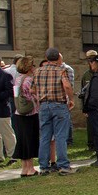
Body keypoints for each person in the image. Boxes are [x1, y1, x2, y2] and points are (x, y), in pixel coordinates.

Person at [34, 47, 75, 175]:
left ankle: (43, 167)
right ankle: (63, 165)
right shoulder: (61, 70)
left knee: (45, 136)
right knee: (60, 136)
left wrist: (41, 95)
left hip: (44, 105)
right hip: (59, 104)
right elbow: (67, 85)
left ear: (46, 58)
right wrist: (71, 99)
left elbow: (31, 89)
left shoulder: (37, 71)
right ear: (58, 58)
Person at [11, 56, 39, 177]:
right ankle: (31, 168)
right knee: (30, 140)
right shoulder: (29, 80)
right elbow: (34, 96)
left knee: (22, 141)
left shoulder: (18, 79)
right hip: (29, 114)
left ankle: (24, 168)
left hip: (18, 113)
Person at [0, 55, 14, 162]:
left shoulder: (6, 75)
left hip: (2, 109)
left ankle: (13, 155)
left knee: (7, 134)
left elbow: (10, 92)